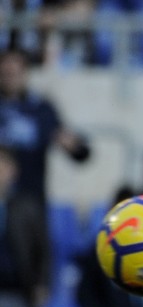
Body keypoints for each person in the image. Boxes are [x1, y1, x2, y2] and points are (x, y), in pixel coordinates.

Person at [0, 48, 91, 205]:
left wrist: (73, 144)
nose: (10, 78)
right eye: (6, 73)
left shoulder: (41, 109)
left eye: (15, 73)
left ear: (25, 73)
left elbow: (80, 153)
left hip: (30, 196)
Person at [0, 144, 48, 307]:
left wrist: (41, 284)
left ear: (13, 171)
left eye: (3, 165)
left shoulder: (26, 207)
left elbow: (43, 250)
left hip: (16, 295)